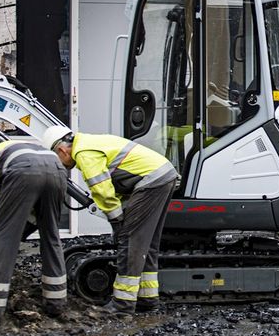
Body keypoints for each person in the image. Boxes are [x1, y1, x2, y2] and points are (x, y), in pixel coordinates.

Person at [43, 126, 178, 315]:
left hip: (152, 180)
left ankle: (122, 306)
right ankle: (147, 299)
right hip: (162, 176)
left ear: (62, 150)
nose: (62, 165)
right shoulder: (90, 142)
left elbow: (103, 191)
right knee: (146, 244)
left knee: (130, 242)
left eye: (57, 160)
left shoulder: (84, 153)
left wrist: (117, 221)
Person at [0, 140, 68, 324]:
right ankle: (56, 303)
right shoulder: (15, 148)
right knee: (51, 237)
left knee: (2, 241)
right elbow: (33, 215)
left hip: (23, 169)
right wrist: (20, 231)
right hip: (56, 167)